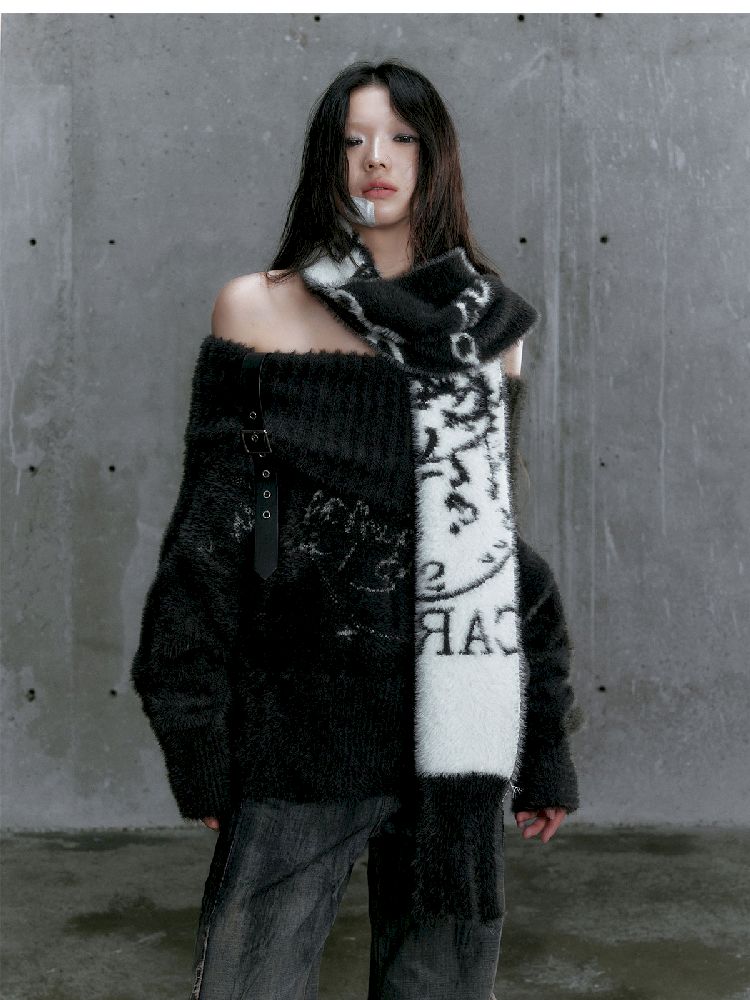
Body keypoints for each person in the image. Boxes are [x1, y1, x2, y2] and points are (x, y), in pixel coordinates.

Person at [131, 59, 582, 1000]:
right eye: (351, 139)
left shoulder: (489, 330)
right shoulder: (256, 308)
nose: (376, 159)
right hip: (299, 728)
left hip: (452, 738)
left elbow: (493, 555)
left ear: (435, 156)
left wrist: (541, 743)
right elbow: (207, 540)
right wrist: (198, 737)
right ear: (323, 160)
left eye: (401, 137)